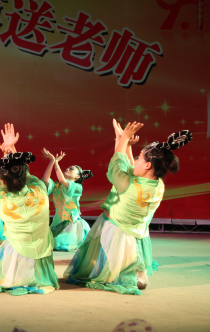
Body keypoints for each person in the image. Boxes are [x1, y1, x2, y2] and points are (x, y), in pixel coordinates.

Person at [64, 120, 192, 294]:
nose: (136, 160)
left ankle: (127, 274)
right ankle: (137, 273)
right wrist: (125, 144)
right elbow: (133, 169)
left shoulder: (129, 186)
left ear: (148, 165)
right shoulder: (157, 184)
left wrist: (123, 139)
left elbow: (117, 165)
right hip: (135, 230)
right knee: (131, 256)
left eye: (139, 158)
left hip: (116, 228)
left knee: (112, 267)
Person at [0, 148, 58, 295]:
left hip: (16, 245)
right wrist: (17, 159)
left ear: (3, 180)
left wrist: (7, 159)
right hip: (39, 245)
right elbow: (37, 180)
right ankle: (37, 278)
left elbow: (0, 184)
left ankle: (13, 277)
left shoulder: (1, 198)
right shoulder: (39, 191)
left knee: (9, 247)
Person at [41, 148, 92, 251]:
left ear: (77, 176)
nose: (67, 169)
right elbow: (46, 179)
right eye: (66, 168)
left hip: (73, 223)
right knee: (46, 243)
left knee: (59, 243)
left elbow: (61, 179)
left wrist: (56, 163)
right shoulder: (57, 186)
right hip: (59, 222)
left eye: (71, 169)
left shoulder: (77, 187)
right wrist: (52, 161)